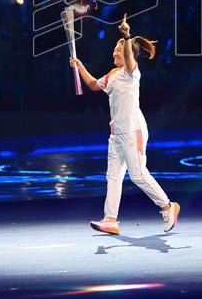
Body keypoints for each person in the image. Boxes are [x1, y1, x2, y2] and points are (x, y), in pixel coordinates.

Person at [70, 14, 180, 235]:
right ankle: (110, 219)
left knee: (138, 174)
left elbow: (129, 57)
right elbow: (92, 85)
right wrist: (79, 66)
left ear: (129, 53)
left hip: (133, 130)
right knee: (113, 176)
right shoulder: (112, 74)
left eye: (119, 49)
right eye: (115, 49)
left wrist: (127, 35)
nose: (115, 52)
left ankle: (168, 206)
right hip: (116, 133)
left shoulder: (132, 73)